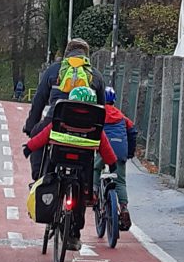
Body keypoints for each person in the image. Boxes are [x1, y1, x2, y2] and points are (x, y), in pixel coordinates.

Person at [23, 86, 118, 250]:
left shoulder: (63, 116)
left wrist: (29, 148)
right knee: (81, 193)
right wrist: (112, 162)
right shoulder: (95, 121)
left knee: (50, 174)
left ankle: (50, 209)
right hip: (83, 162)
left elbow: (45, 134)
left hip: (59, 157)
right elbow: (104, 144)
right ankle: (74, 234)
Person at [23, 38, 106, 180]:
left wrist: (31, 126)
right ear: (86, 55)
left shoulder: (54, 70)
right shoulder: (95, 75)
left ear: (67, 53)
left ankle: (38, 177)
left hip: (56, 123)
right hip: (86, 129)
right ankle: (88, 187)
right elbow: (102, 107)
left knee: (37, 135)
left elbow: (39, 100)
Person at [93, 86, 138, 231]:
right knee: (120, 181)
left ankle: (94, 192)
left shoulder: (99, 114)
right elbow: (133, 131)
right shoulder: (121, 117)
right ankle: (123, 207)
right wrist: (129, 152)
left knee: (96, 167)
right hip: (120, 150)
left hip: (104, 149)